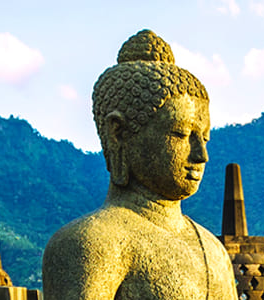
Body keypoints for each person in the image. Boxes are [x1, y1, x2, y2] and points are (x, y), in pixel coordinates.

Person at [43, 29, 235, 300]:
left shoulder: (214, 251)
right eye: (180, 134)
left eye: (204, 138)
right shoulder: (90, 243)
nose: (201, 154)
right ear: (119, 133)